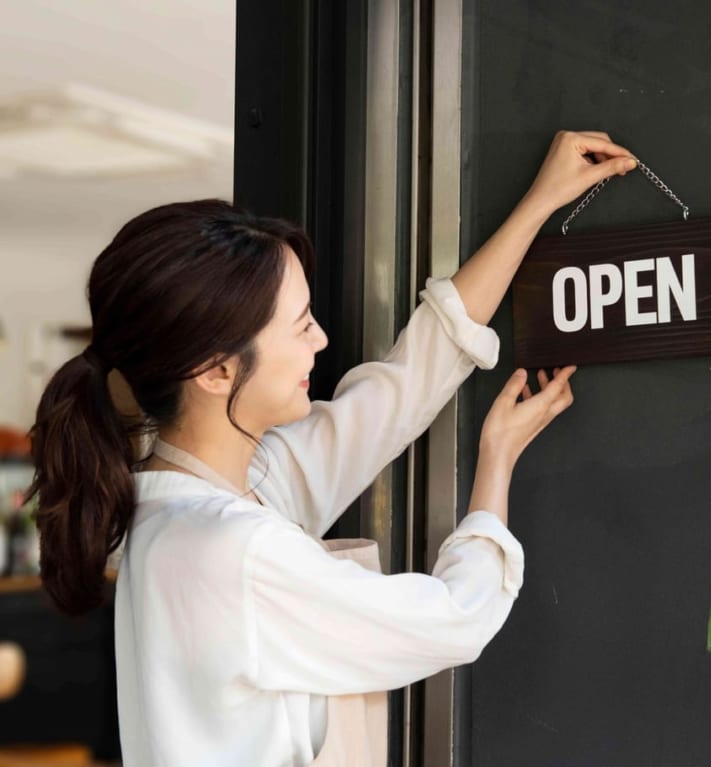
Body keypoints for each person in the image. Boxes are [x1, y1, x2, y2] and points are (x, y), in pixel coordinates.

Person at [26, 130, 638, 765]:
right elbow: (453, 620)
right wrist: (497, 461)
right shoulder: (233, 549)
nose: (320, 340)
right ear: (216, 371)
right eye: (300, 325)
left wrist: (539, 204)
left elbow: (405, 387)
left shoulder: (204, 495)